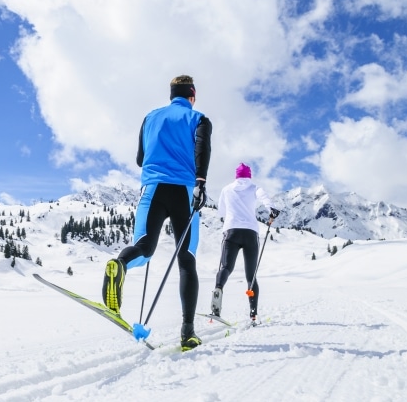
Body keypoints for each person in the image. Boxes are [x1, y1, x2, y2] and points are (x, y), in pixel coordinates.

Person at [102, 75, 212, 351]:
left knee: (144, 247)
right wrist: (200, 182)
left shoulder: (150, 117)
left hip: (152, 189)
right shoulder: (199, 119)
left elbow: (140, 158)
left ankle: (120, 266)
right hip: (184, 191)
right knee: (186, 260)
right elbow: (202, 149)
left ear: (171, 93)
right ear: (192, 95)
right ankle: (187, 332)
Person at [210, 163, 279, 324]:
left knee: (226, 267)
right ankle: (253, 314)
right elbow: (265, 197)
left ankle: (218, 288)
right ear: (249, 175)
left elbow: (221, 212)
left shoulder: (226, 189)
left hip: (231, 231)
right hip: (250, 232)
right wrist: (272, 209)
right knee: (251, 275)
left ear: (236, 176)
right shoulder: (254, 187)